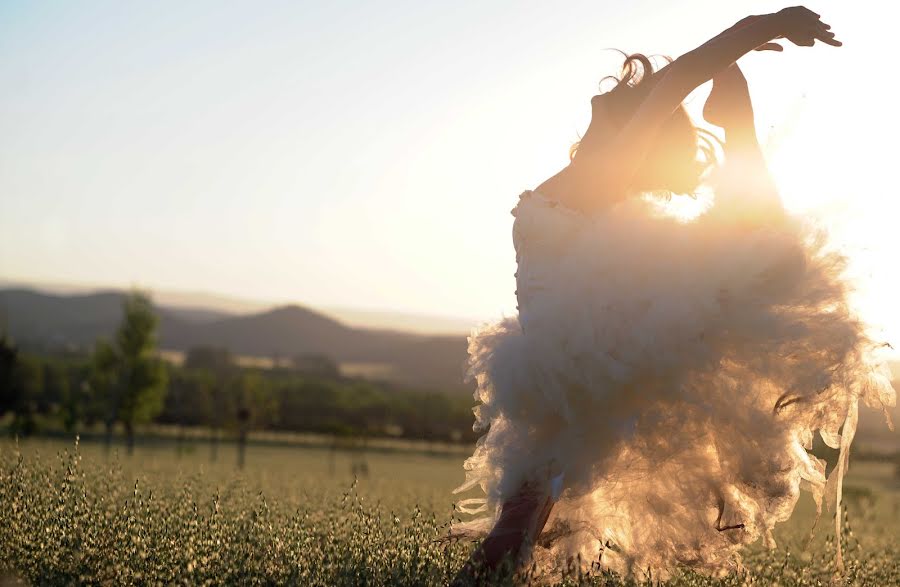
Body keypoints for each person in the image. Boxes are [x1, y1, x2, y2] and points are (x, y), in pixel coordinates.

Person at [452, 6, 896, 582]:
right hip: (592, 351)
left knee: (539, 486)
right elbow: (678, 76)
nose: (598, 108)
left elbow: (676, 78)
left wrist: (750, 35)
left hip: (564, 356)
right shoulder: (602, 173)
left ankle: (490, 570)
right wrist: (757, 29)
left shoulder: (592, 183)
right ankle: (737, 124)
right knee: (772, 254)